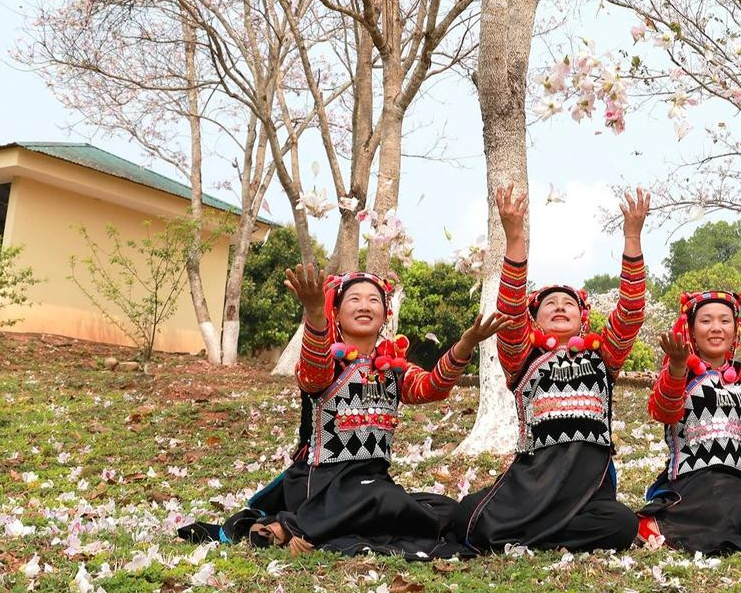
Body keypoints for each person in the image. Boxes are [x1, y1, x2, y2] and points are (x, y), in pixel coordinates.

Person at [249, 265, 514, 557]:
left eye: (373, 300)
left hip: (373, 484)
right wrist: (314, 312)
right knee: (384, 500)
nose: (365, 306)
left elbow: (432, 388)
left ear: (385, 313)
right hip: (321, 484)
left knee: (446, 510)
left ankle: (301, 526)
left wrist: (465, 344)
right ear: (335, 312)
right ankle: (295, 527)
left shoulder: (394, 369)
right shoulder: (326, 363)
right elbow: (313, 373)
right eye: (354, 299)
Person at [453, 185, 651, 553]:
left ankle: (531, 535)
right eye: (550, 304)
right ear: (535, 319)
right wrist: (515, 237)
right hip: (534, 484)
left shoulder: (604, 356)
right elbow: (510, 311)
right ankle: (541, 531)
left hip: (589, 490)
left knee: (622, 524)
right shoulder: (522, 356)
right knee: (467, 517)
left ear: (582, 319)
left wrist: (632, 238)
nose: (559, 307)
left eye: (568, 304)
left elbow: (631, 312)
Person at [638, 288, 741, 555]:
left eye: (724, 320)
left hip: (739, 482)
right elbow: (663, 411)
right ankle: (663, 523)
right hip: (693, 482)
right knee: (736, 506)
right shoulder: (679, 372)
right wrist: (677, 366)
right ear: (691, 329)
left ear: (735, 329)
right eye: (706, 321)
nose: (716, 328)